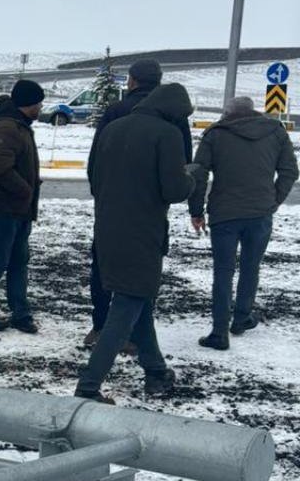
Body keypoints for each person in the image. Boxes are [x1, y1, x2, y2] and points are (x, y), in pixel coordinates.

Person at [76, 83, 195, 403]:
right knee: (126, 307)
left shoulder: (113, 128)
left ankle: (155, 370)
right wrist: (193, 178)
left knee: (138, 301)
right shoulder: (167, 135)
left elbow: (94, 178)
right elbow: (174, 190)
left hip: (107, 229)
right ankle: (88, 386)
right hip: (143, 233)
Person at [189, 97, 298, 350]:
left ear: (227, 113)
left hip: (224, 214)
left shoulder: (215, 134)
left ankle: (219, 332)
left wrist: (196, 210)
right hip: (260, 213)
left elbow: (199, 173)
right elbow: (290, 171)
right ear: (253, 111)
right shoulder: (275, 132)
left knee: (223, 271)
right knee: (251, 266)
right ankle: (241, 319)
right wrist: (273, 200)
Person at [0, 81, 44, 334]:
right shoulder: (7, 128)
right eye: (38, 102)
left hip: (17, 208)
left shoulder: (19, 126)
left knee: (18, 261)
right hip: (1, 207)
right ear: (29, 103)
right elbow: (1, 170)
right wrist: (27, 190)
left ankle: (20, 312)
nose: (41, 107)